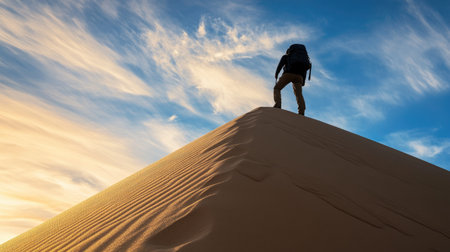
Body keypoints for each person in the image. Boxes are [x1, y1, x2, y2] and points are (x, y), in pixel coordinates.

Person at [273, 44, 311, 115]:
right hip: (299, 77)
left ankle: (278, 105)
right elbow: (304, 71)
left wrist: (276, 75)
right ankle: (301, 111)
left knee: (277, 88)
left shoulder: (286, 57)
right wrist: (302, 82)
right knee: (298, 94)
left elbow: (279, 66)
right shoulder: (304, 59)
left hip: (288, 74)